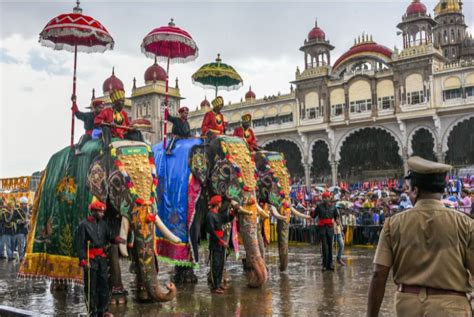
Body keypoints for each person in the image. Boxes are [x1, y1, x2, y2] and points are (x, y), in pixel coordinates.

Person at [367, 156, 474, 317]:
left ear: (416, 190)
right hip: (452, 308)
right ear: (442, 190)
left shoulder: (393, 224)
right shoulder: (465, 224)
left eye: (409, 189)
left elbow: (378, 274)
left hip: (408, 307)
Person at [76, 201, 124, 317]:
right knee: (91, 287)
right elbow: (79, 245)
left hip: (101, 259)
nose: (102, 213)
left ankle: (103, 310)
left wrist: (115, 239)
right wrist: (83, 259)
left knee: (104, 285)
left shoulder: (103, 224)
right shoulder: (83, 225)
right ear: (93, 212)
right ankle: (92, 311)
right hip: (90, 259)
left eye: (103, 211)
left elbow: (109, 236)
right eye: (100, 211)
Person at [206, 195, 234, 294]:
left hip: (221, 242)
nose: (221, 204)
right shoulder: (210, 215)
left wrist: (233, 213)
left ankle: (218, 284)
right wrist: (221, 241)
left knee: (221, 264)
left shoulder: (218, 214)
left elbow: (226, 219)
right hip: (215, 243)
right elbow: (211, 231)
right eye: (220, 202)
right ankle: (215, 287)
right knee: (215, 264)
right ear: (218, 204)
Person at [311, 191, 339, 271]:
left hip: (330, 228)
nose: (326, 199)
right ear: (323, 199)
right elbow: (313, 216)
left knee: (330, 246)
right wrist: (311, 212)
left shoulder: (334, 207)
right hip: (322, 228)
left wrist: (337, 221)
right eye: (324, 198)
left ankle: (330, 264)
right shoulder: (319, 206)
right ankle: (324, 265)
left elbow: (336, 216)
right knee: (324, 247)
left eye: (327, 197)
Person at [13, 197, 28, 261]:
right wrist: (20, 221)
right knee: (21, 244)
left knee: (26, 244)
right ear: (21, 204)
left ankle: (25, 255)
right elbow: (14, 219)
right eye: (24, 204)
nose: (25, 205)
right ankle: (21, 257)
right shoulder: (16, 211)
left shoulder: (26, 210)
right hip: (19, 230)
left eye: (26, 204)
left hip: (26, 229)